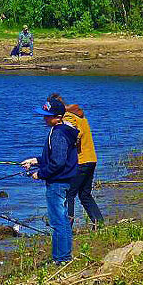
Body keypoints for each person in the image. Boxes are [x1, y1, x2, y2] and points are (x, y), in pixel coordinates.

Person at [20, 96, 79, 263]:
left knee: (57, 221)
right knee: (62, 220)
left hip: (58, 183)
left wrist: (40, 174)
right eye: (44, 115)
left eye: (47, 115)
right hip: (62, 181)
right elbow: (55, 157)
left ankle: (61, 258)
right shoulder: (62, 131)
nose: (44, 118)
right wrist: (35, 161)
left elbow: (58, 162)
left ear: (58, 117)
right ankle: (64, 256)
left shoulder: (59, 134)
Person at [49, 93, 104, 229]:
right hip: (91, 159)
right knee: (84, 194)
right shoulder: (80, 115)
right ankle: (99, 223)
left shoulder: (68, 116)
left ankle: (67, 226)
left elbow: (74, 135)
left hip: (81, 161)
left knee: (69, 194)